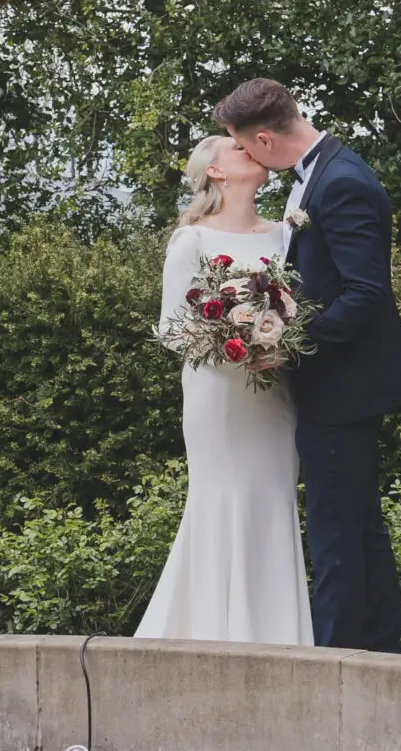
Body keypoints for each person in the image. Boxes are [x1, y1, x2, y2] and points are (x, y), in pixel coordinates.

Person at [217, 79, 401, 650]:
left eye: (243, 147)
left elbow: (365, 292)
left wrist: (287, 341)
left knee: (334, 531)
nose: (246, 158)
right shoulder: (323, 170)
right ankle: (378, 648)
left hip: (344, 386)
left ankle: (331, 660)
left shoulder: (342, 181)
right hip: (338, 382)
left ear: (261, 138)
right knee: (358, 525)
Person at [134, 134, 315, 644]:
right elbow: (170, 327)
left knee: (273, 498)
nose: (251, 150)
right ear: (215, 172)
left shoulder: (284, 236)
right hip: (217, 395)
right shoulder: (192, 240)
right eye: (237, 149)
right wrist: (228, 338)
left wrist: (274, 340)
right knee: (219, 499)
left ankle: (278, 637)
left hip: (273, 392)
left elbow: (301, 309)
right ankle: (210, 635)